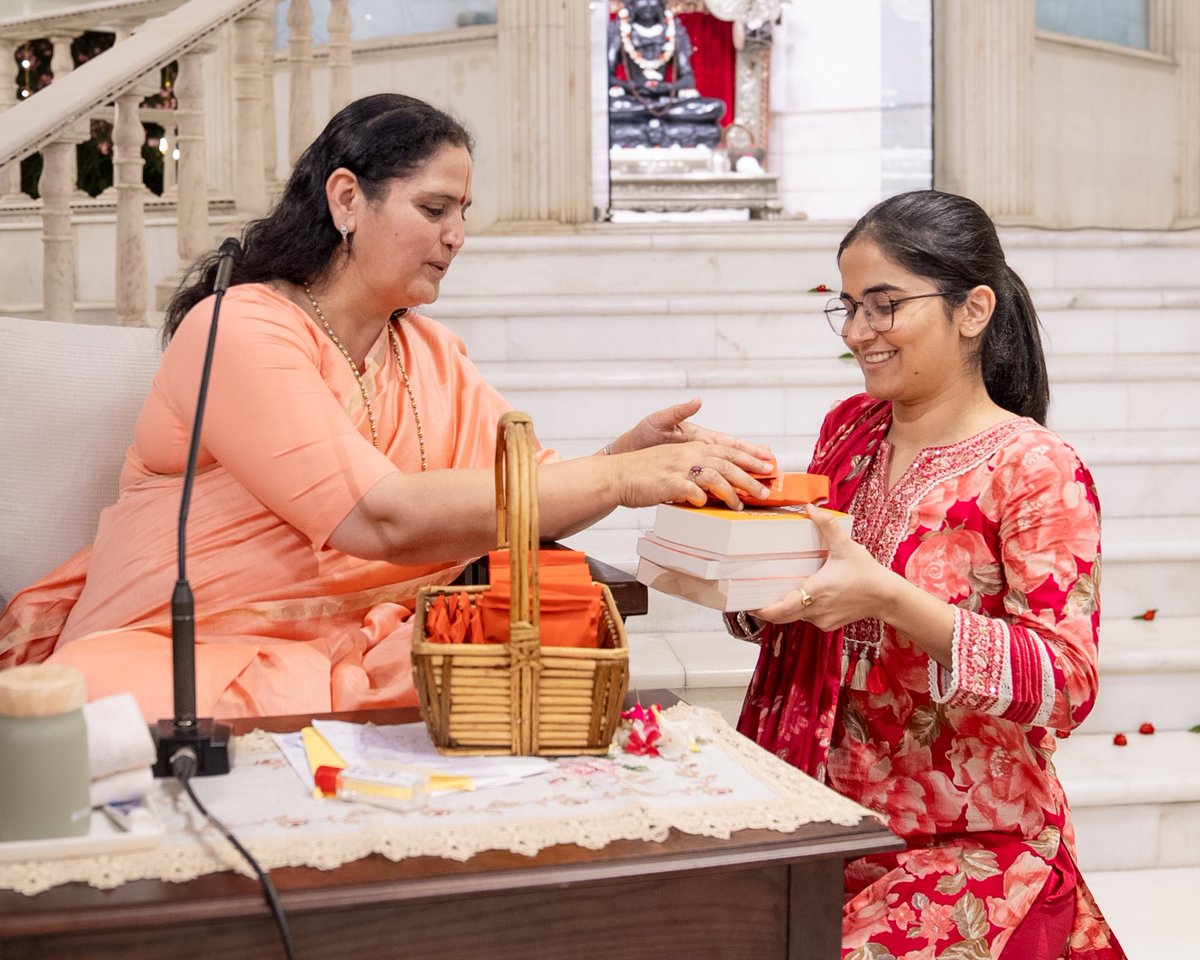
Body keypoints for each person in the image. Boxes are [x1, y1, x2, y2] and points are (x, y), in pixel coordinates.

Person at [0, 93, 773, 721]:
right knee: (113, 700)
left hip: (363, 642)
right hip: (191, 644)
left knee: (490, 677)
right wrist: (627, 481)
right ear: (346, 198)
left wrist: (619, 458)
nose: (458, 235)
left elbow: (526, 495)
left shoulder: (428, 354)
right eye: (436, 208)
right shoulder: (239, 327)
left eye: (463, 212)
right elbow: (381, 518)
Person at [728, 191, 1125, 958]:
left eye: (883, 306)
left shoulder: (1035, 469)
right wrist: (731, 560)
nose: (856, 333)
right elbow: (818, 594)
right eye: (847, 307)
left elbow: (1067, 684)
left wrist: (889, 597)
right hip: (818, 820)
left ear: (972, 310)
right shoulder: (851, 429)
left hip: (969, 840)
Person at [607, 0, 726, 148]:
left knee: (714, 107)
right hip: (633, 99)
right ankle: (655, 116)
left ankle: (651, 115)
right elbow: (607, 77)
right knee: (608, 108)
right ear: (631, 3)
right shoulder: (620, 29)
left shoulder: (673, 29)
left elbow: (688, 78)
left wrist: (667, 88)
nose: (649, 5)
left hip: (666, 100)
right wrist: (633, 87)